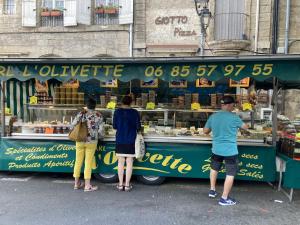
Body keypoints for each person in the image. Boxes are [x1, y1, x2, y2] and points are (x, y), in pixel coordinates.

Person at [204, 95, 248, 206]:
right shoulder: (234, 117)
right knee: (230, 173)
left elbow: (205, 131)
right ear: (229, 105)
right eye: (233, 105)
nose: (233, 107)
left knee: (214, 168)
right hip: (230, 151)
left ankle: (212, 190)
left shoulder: (213, 116)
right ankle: (224, 198)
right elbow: (245, 127)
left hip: (216, 149)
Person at [71, 97, 104, 192]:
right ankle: (87, 185)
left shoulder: (81, 113)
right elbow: (101, 130)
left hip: (80, 140)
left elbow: (72, 125)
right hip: (92, 141)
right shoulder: (98, 115)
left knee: (78, 161)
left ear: (87, 105)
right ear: (95, 105)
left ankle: (76, 184)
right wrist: (101, 136)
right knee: (88, 162)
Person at [113, 95, 141, 191]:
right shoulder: (135, 112)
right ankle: (127, 185)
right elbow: (138, 127)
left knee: (120, 162)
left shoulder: (117, 112)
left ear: (121, 102)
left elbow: (114, 126)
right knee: (129, 162)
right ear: (131, 102)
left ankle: (120, 185)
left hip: (120, 139)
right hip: (131, 140)